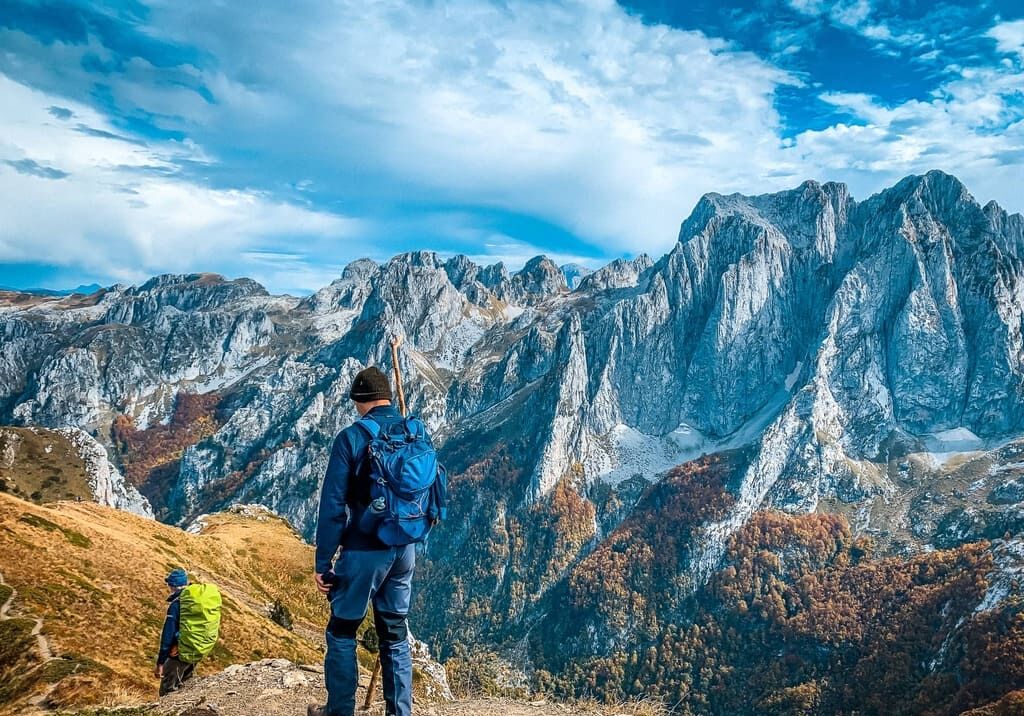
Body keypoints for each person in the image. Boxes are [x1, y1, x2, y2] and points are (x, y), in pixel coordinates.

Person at [308, 367, 422, 716]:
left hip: (364, 551)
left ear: (361, 401)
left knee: (342, 631)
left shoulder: (352, 438)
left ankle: (339, 711)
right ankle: (399, 712)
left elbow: (332, 507)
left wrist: (323, 562)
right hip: (405, 547)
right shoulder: (413, 432)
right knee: (394, 633)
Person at [155, 567, 195, 696]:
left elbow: (167, 637)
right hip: (197, 647)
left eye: (169, 584)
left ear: (173, 586)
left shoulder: (176, 605)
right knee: (186, 685)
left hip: (179, 652)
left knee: (167, 691)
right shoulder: (194, 600)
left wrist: (160, 663)